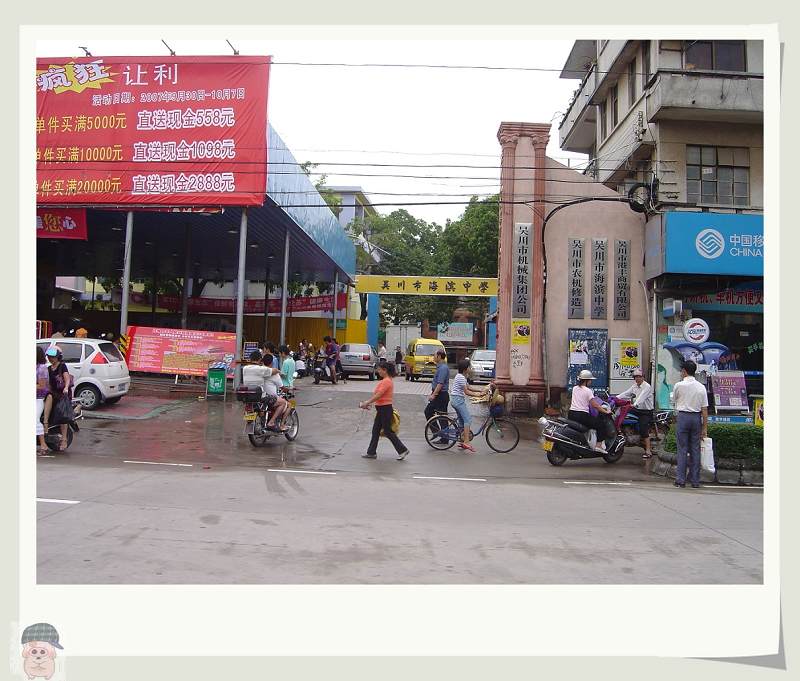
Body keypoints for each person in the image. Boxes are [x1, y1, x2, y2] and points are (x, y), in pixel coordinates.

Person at [359, 361, 409, 460]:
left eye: (379, 369)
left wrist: (367, 402)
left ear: (385, 370)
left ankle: (403, 450)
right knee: (376, 430)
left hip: (385, 409)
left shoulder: (387, 381)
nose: (378, 371)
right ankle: (371, 452)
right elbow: (379, 396)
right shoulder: (385, 380)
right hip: (382, 409)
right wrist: (369, 403)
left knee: (387, 431)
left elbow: (379, 394)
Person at [672, 360, 709, 488]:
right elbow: (705, 409)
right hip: (696, 418)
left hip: (683, 417)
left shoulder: (679, 385)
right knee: (695, 449)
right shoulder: (701, 387)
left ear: (684, 371)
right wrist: (705, 428)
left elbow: (674, 400)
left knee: (682, 449)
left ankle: (680, 480)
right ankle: (695, 480)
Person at [568, 370, 615, 452]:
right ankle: (598, 445)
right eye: (590, 380)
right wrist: (606, 412)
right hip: (581, 415)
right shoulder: (588, 391)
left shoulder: (575, 388)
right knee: (601, 425)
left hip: (571, 414)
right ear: (586, 381)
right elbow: (595, 405)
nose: (591, 382)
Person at [450, 359, 492, 452]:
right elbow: (467, 392)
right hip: (458, 401)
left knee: (462, 421)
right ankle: (466, 442)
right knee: (468, 419)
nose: (470, 369)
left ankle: (462, 439)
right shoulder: (461, 378)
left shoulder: (461, 376)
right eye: (469, 367)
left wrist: (481, 390)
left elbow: (469, 387)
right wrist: (478, 395)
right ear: (465, 369)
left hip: (456, 400)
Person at [617, 368, 655, 458]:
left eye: (639, 377)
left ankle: (648, 450)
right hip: (636, 409)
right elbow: (626, 393)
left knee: (643, 428)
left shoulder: (647, 387)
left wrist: (634, 404)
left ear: (643, 377)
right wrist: (615, 398)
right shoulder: (634, 386)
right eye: (636, 377)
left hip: (645, 411)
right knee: (621, 414)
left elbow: (641, 398)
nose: (637, 378)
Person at [42, 347, 72, 451]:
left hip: (62, 394)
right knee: (48, 396)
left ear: (58, 357)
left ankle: (64, 439)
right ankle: (45, 423)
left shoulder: (62, 366)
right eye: (49, 357)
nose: (50, 358)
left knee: (62, 415)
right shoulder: (48, 369)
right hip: (52, 393)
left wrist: (66, 388)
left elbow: (67, 378)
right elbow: (47, 383)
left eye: (53, 357)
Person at [425, 350, 450, 442]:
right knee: (428, 412)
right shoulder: (440, 367)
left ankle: (444, 438)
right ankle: (437, 432)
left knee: (442, 417)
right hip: (438, 395)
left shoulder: (443, 368)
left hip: (441, 395)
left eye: (434, 355)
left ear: (439, 356)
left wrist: (434, 395)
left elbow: (440, 384)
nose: (433, 357)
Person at [36, 346, 49, 454]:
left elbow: (42, 385)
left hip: (39, 398)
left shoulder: (42, 368)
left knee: (34, 419)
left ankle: (43, 445)